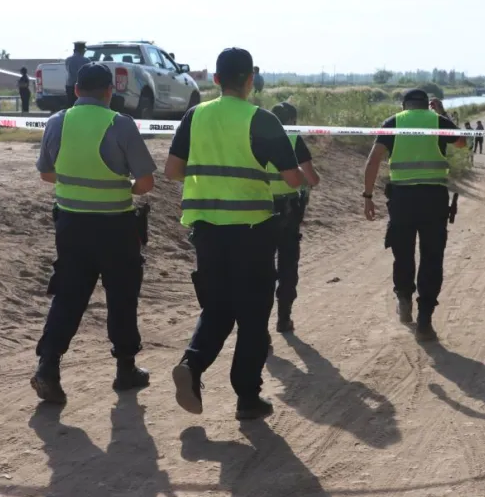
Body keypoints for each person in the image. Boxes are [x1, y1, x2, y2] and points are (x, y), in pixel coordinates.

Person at [164, 47, 304, 420]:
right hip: (253, 231)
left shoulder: (195, 115)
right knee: (254, 315)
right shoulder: (261, 120)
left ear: (215, 79)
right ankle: (247, 397)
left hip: (207, 229)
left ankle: (192, 366)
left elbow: (172, 170)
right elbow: (293, 178)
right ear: (250, 80)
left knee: (218, 306)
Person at [31, 62, 158, 404]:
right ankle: (125, 369)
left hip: (70, 225)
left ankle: (48, 366)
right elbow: (145, 183)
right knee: (121, 295)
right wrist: (123, 186)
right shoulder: (121, 124)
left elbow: (46, 173)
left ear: (75, 90)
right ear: (109, 92)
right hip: (115, 226)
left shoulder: (57, 121)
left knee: (68, 295)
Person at [362, 89, 460, 342]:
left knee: (402, 253)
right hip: (433, 199)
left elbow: (373, 161)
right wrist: (442, 113)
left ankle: (404, 298)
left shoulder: (394, 122)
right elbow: (461, 142)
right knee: (432, 257)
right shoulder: (437, 121)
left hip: (402, 200)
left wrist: (368, 196)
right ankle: (425, 319)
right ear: (426, 105)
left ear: (404, 105)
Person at [267, 101, 321, 334]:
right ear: (292, 121)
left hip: (258, 209)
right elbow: (312, 177)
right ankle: (283, 318)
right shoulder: (293, 139)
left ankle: (260, 328)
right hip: (287, 211)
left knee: (261, 268)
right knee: (287, 265)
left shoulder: (255, 138)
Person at [64, 41, 91, 108]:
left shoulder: (68, 59)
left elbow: (68, 70)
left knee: (70, 104)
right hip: (82, 85)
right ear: (82, 50)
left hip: (70, 85)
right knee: (82, 105)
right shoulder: (86, 60)